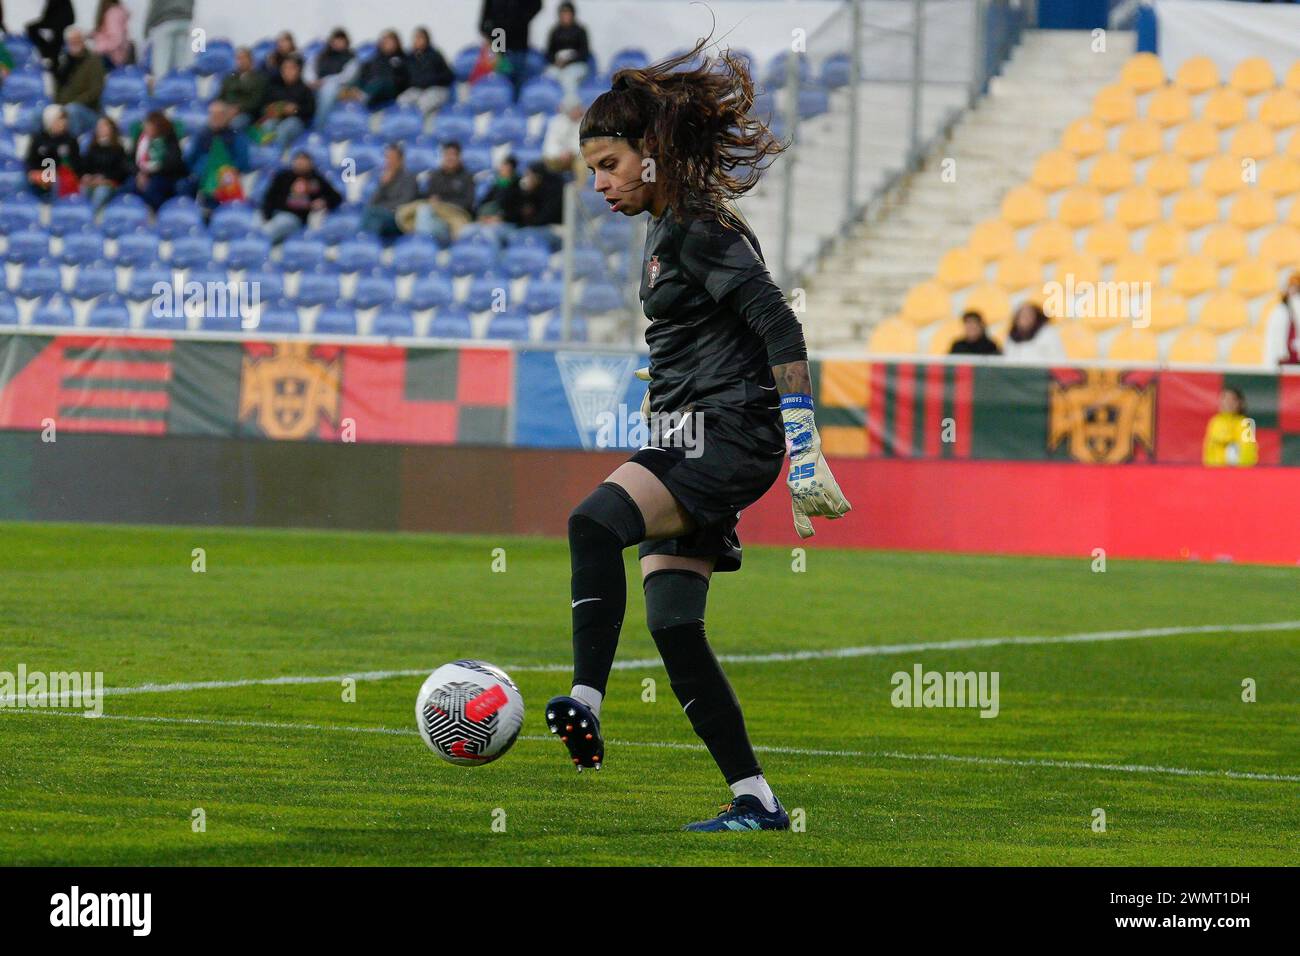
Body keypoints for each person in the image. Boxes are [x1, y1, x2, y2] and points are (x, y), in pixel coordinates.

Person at [545, 40, 851, 832]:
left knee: (592, 522)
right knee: (676, 626)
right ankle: (757, 800)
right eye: (591, 170)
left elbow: (777, 321)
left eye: (608, 163)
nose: (600, 183)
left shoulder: (695, 227)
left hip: (722, 438)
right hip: (693, 429)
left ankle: (584, 699)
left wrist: (802, 439)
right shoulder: (668, 226)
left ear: (650, 153)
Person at [398, 140, 475, 243]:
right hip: (435, 215)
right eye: (447, 154)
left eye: (454, 155)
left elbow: (468, 202)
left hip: (454, 214)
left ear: (459, 157)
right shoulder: (435, 175)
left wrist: (442, 201)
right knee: (416, 211)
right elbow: (428, 196)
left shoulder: (467, 177)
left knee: (425, 212)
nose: (450, 158)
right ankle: (424, 242)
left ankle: (426, 243)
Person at [261, 150, 342, 244]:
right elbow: (269, 197)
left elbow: (336, 197)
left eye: (304, 160)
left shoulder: (316, 180)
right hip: (274, 213)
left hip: (294, 217)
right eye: (298, 160)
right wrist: (267, 215)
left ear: (310, 163)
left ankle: (259, 244)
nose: (300, 163)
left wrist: (324, 202)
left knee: (278, 224)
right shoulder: (283, 176)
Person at [184, 100, 250, 213]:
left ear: (226, 117)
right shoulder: (202, 134)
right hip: (201, 175)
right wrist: (195, 171)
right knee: (184, 185)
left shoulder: (236, 136)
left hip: (225, 177)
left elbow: (242, 161)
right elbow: (191, 157)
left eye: (219, 115)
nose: (215, 118)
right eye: (213, 114)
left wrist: (227, 172)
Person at [479, 0, 541, 98]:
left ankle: (517, 110)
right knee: (501, 85)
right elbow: (483, 22)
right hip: (499, 46)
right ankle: (504, 111)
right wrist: (491, 33)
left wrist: (521, 19)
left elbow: (537, 5)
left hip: (519, 44)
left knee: (519, 83)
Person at [126, 110, 186, 210]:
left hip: (163, 176)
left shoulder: (169, 140)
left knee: (152, 188)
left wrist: (149, 172)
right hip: (139, 175)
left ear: (157, 126)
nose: (145, 127)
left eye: (149, 125)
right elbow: (128, 161)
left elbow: (173, 164)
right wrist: (139, 173)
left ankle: (155, 215)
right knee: (128, 187)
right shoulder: (141, 139)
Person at [54, 28, 106, 139]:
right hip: (65, 107)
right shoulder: (64, 62)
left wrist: (69, 105)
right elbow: (58, 89)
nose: (73, 44)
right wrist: (59, 107)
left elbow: (95, 91)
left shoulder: (94, 61)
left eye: (77, 41)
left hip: (89, 111)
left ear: (83, 41)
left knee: (73, 110)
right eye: (70, 42)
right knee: (48, 113)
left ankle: (71, 146)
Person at [362, 143, 419, 241]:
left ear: (401, 160)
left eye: (392, 158)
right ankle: (367, 242)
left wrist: (383, 208)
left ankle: (365, 241)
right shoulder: (385, 178)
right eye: (387, 158)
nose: (389, 161)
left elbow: (405, 202)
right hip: (382, 215)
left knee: (374, 214)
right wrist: (383, 185)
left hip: (399, 219)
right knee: (371, 213)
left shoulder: (409, 178)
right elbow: (372, 202)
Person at [338, 29, 408, 110]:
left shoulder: (402, 58)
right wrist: (356, 86)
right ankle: (354, 94)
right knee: (358, 80)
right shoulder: (375, 58)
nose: (386, 44)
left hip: (391, 89)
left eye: (389, 41)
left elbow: (402, 79)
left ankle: (360, 98)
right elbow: (364, 75)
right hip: (373, 88)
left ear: (396, 43)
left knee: (380, 81)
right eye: (384, 41)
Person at [307, 28, 359, 130]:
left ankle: (319, 127)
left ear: (346, 42)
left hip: (338, 87)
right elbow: (309, 70)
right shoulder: (321, 56)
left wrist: (326, 81)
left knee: (328, 89)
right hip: (317, 86)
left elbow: (347, 77)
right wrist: (312, 81)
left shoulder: (351, 57)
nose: (338, 43)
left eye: (341, 41)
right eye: (335, 40)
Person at [259, 55, 315, 149]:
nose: (288, 71)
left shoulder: (305, 88)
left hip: (296, 121)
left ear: (298, 70)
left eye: (291, 68)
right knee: (267, 126)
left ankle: (277, 157)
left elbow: (310, 110)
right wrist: (271, 109)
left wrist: (295, 110)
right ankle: (265, 155)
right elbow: (263, 107)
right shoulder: (274, 86)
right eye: (285, 68)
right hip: (277, 118)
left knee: (283, 129)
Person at [396, 27, 454, 117]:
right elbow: (404, 78)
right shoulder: (409, 58)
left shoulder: (435, 55)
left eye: (420, 38)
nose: (417, 40)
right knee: (402, 101)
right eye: (415, 38)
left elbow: (448, 75)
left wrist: (432, 80)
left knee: (424, 102)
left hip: (435, 89)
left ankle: (422, 124)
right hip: (417, 89)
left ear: (427, 39)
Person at [26, 104, 80, 200]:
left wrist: (55, 173)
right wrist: (32, 172)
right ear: (50, 121)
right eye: (59, 119)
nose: (63, 122)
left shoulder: (70, 140)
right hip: (41, 175)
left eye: (64, 119)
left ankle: (55, 210)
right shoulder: (38, 139)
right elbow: (31, 160)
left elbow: (75, 164)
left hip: (61, 176)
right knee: (20, 180)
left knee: (57, 181)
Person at [78, 115, 131, 210]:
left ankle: (91, 216)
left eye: (104, 126)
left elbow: (122, 172)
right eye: (99, 127)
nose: (101, 129)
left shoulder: (119, 150)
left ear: (111, 129)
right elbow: (84, 167)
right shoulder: (91, 149)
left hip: (109, 184)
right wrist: (87, 176)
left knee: (101, 191)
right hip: (92, 183)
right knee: (82, 189)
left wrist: (105, 178)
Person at [544, 1, 590, 102]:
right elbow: (548, 53)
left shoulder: (580, 31)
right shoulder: (555, 31)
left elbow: (584, 53)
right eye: (563, 13)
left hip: (577, 65)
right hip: (558, 65)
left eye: (568, 13)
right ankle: (553, 106)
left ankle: (572, 107)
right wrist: (556, 61)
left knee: (568, 78)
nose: (565, 16)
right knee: (549, 76)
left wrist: (569, 61)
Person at [1203, 387, 1258, 467]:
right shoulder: (1215, 422)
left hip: (1236, 473)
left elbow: (1248, 449)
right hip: (1215, 472)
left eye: (1232, 400)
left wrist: (1243, 471)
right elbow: (1209, 448)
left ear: (1240, 403)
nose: (1227, 403)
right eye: (1224, 398)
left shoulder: (1246, 423)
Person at [219, 48, 269, 130]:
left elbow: (257, 101)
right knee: (211, 123)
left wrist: (238, 109)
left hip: (247, 114)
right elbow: (221, 97)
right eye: (238, 58)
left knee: (234, 125)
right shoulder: (230, 78)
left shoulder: (260, 78)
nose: (241, 61)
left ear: (251, 60)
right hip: (227, 111)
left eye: (243, 58)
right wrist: (223, 108)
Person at [144, 0, 194, 79]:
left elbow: (155, 5)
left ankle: (161, 89)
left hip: (165, 21)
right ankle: (179, 88)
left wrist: (146, 28)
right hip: (185, 21)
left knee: (161, 68)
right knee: (179, 68)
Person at [1264, 270, 1300, 366]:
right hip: (1283, 361)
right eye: (1292, 287)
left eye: (1297, 288)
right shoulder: (1279, 312)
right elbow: (1273, 341)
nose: (1294, 291)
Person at [542, 97, 584, 179]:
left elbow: (583, 144)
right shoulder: (556, 122)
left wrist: (570, 152)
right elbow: (549, 145)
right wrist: (560, 153)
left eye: (579, 108)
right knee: (546, 163)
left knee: (583, 164)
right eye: (576, 109)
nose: (579, 111)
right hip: (557, 157)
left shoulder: (584, 123)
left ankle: (579, 190)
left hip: (575, 157)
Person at [25, 0, 75, 66]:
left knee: (31, 28)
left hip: (61, 19)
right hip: (62, 19)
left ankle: (52, 57)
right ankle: (52, 57)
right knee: (57, 34)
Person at [516, 160, 563, 226]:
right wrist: (527, 193)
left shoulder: (554, 189)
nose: (526, 178)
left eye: (529, 175)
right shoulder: (532, 189)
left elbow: (548, 214)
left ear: (538, 177)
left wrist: (532, 224)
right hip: (539, 225)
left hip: (554, 226)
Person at [474, 155, 520, 223]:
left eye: (504, 166)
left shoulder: (517, 185)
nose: (501, 168)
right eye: (501, 166)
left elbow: (510, 207)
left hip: (505, 221)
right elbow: (485, 200)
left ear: (511, 168)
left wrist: (497, 217)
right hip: (488, 218)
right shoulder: (497, 183)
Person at [91, 0, 132, 70]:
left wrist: (99, 48)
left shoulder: (113, 13)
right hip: (112, 56)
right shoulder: (114, 11)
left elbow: (117, 40)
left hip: (112, 57)